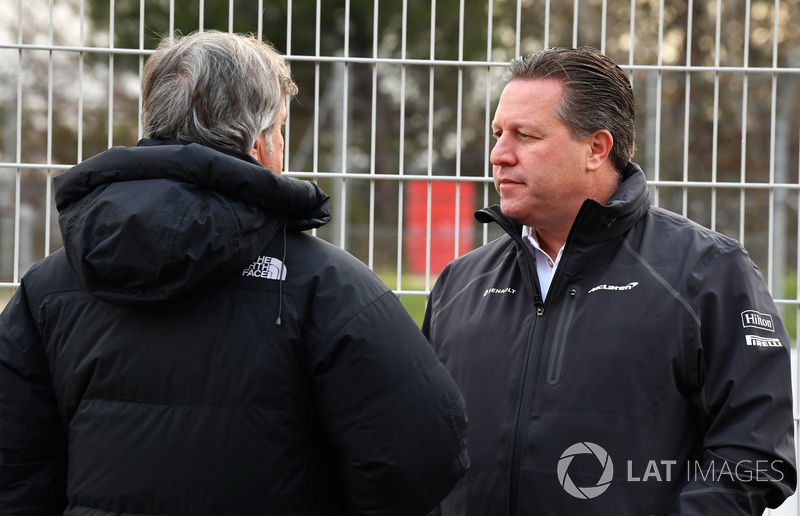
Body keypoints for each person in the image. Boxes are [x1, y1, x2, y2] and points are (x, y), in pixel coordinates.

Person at [0, 30, 468, 516]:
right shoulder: (328, 286)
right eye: (282, 128)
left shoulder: (47, 289)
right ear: (260, 140)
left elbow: (15, 462)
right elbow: (421, 453)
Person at [422, 46, 795, 515]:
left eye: (526, 135)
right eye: (498, 133)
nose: (499, 154)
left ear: (596, 148)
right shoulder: (460, 283)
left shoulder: (707, 272)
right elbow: (421, 448)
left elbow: (755, 456)